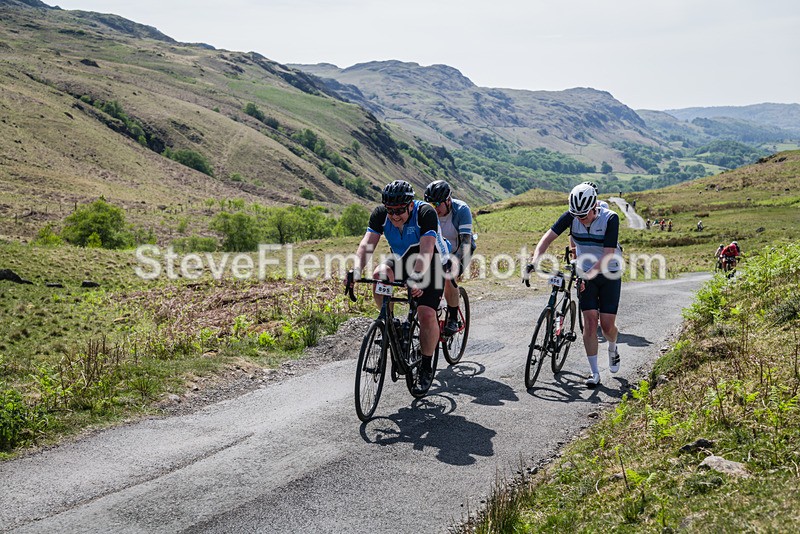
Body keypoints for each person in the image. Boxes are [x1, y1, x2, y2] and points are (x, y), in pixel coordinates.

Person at [345, 180, 450, 394]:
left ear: (410, 205)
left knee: (426, 313)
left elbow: (427, 250)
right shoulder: (380, 215)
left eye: (400, 210)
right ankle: (389, 321)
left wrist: (418, 278)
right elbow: (367, 245)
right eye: (390, 210)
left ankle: (426, 367)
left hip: (431, 264)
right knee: (379, 276)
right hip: (401, 259)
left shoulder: (425, 213)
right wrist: (355, 271)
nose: (394, 216)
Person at [525, 183, 624, 388]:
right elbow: (547, 238)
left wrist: (588, 275)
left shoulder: (610, 219)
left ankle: (613, 347)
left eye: (584, 216)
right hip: (585, 272)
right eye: (576, 216)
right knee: (589, 322)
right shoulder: (572, 216)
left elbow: (607, 255)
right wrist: (534, 261)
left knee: (606, 327)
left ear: (594, 207)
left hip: (609, 273)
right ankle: (595, 373)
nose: (579, 219)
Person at [424, 180, 475, 336]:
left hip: (459, 250)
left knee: (447, 275)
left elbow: (466, 243)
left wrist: (452, 262)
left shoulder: (461, 210)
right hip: (439, 251)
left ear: (448, 200)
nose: (434, 208)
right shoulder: (428, 212)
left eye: (437, 204)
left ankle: (453, 317)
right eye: (431, 204)